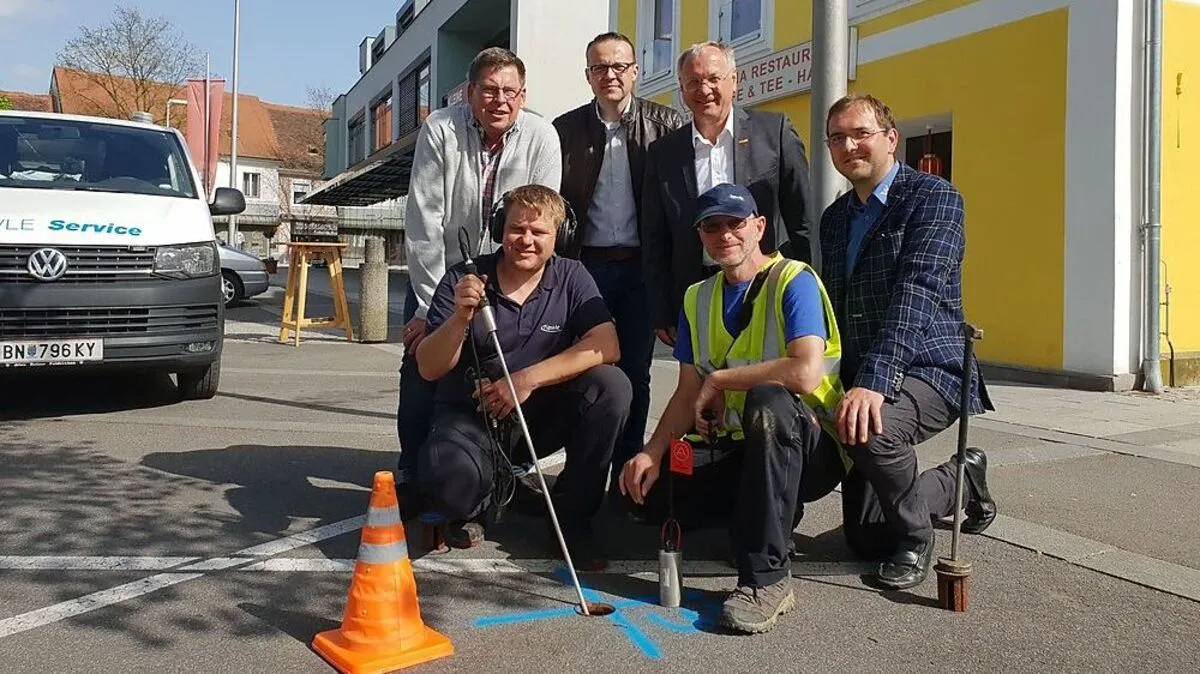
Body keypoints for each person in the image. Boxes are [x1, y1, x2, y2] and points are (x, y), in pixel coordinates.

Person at [619, 183, 846, 635]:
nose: (724, 234)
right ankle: (763, 514)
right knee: (644, 498)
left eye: (735, 223)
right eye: (711, 226)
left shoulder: (793, 280)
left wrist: (721, 379)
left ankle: (767, 578)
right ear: (700, 236)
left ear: (759, 227)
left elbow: (803, 373)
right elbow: (687, 394)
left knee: (768, 399)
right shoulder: (696, 298)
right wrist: (651, 452)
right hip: (738, 447)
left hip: (807, 445)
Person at [817, 93, 996, 590]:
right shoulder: (835, 219)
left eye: (860, 134)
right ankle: (963, 479)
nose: (848, 145)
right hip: (864, 372)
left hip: (931, 367)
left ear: (891, 139)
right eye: (837, 137)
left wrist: (873, 382)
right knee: (869, 538)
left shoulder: (935, 198)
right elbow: (831, 307)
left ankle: (918, 537)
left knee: (871, 431)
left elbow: (916, 293)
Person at [414, 184, 630, 570]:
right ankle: (480, 497)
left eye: (539, 232)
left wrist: (525, 380)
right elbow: (428, 366)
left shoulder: (572, 276)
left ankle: (571, 518)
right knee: (449, 490)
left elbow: (606, 344)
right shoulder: (464, 277)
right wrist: (460, 318)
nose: (526, 240)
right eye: (517, 229)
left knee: (611, 386)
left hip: (536, 414)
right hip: (472, 415)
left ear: (559, 237)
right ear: (500, 229)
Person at [398, 47, 563, 505]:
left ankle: (506, 467)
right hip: (443, 275)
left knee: (504, 371)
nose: (499, 100)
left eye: (510, 91)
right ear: (469, 93)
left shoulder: (542, 136)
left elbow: (544, 217)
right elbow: (425, 220)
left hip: (512, 276)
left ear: (523, 95)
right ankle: (412, 468)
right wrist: (433, 308)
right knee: (422, 367)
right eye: (489, 90)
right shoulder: (440, 129)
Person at [552, 32, 687, 504]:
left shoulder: (667, 125)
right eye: (599, 67)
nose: (609, 75)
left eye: (618, 66)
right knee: (583, 372)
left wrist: (671, 284)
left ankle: (628, 479)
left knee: (635, 374)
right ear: (587, 74)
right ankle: (583, 473)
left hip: (641, 272)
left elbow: (677, 210)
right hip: (584, 268)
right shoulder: (564, 130)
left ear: (635, 71)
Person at [642, 41, 814, 351]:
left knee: (767, 387)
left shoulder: (773, 132)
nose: (703, 89)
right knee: (704, 388)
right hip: (696, 290)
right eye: (693, 82)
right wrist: (660, 310)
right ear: (682, 90)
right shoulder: (664, 153)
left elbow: (803, 219)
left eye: (713, 78)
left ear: (734, 81)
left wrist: (808, 289)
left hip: (767, 285)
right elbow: (656, 238)